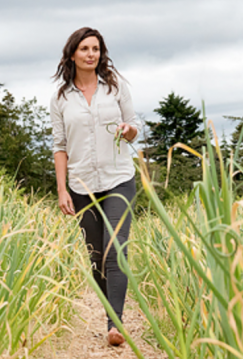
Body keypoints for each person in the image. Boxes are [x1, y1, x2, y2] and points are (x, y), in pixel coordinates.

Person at [51, 27, 140, 347]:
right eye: (85, 48)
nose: (91, 54)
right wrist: (62, 189)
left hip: (118, 178)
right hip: (80, 184)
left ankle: (114, 324)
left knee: (116, 250)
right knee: (97, 255)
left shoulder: (116, 88)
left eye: (96, 49)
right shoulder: (61, 97)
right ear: (72, 53)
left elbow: (134, 127)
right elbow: (59, 146)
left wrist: (128, 130)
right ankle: (109, 312)